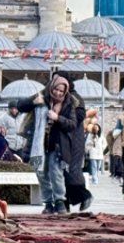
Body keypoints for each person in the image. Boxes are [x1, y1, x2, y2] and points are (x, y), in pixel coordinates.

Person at [17, 71, 87, 214]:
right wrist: (33, 102)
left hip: (58, 145)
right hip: (39, 144)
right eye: (56, 89)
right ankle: (48, 202)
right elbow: (20, 106)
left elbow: (72, 124)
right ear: (51, 86)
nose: (58, 93)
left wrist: (57, 118)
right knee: (41, 173)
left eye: (61, 91)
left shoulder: (69, 103)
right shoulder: (41, 97)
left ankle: (60, 201)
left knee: (55, 173)